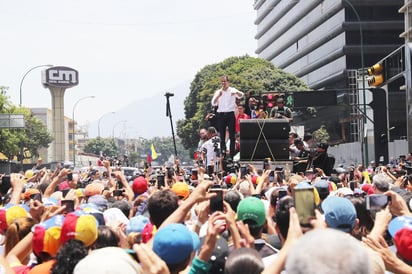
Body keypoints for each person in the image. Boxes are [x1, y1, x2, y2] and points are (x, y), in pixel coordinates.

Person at [211, 75, 244, 158]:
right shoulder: (218, 91)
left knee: (232, 135)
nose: (223, 83)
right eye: (222, 81)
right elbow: (213, 103)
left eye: (225, 81)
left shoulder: (232, 90)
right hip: (221, 114)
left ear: (228, 82)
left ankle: (232, 154)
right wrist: (219, 96)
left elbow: (241, 95)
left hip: (230, 114)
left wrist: (236, 93)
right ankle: (223, 151)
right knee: (222, 135)